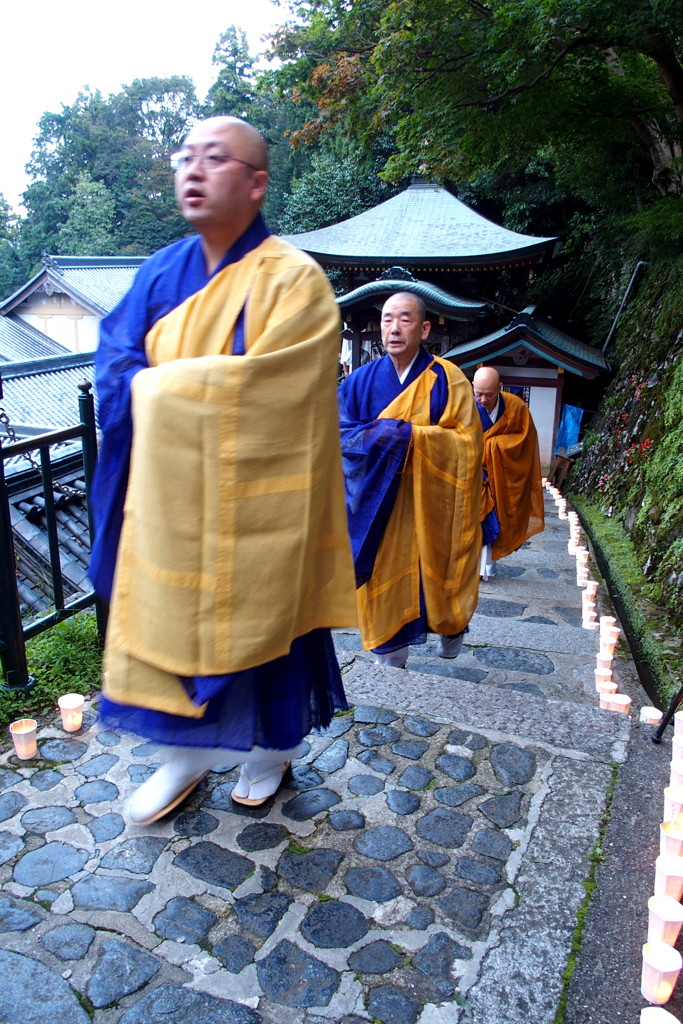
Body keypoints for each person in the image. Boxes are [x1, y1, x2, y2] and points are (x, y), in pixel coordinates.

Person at [89, 116, 357, 822]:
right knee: (165, 616)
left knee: (270, 621)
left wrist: (158, 384)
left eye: (215, 157)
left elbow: (273, 388)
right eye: (185, 157)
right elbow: (116, 360)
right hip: (169, 498)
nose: (193, 170)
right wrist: (146, 385)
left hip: (262, 501)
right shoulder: (158, 271)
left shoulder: (295, 281)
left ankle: (271, 751)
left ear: (257, 181)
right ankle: (185, 754)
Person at [338, 291, 482, 669]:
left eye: (404, 319)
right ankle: (391, 658)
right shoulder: (358, 383)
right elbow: (334, 433)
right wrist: (375, 438)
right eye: (387, 319)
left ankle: (451, 629)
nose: (394, 328)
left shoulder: (448, 379)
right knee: (384, 583)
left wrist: (411, 438)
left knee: (438, 580)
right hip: (377, 508)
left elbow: (467, 442)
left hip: (431, 506)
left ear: (424, 328)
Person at [472, 366, 545, 580]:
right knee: (476, 523)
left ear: (500, 388)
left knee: (495, 522)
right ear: (472, 387)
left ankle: (485, 569)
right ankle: (470, 569)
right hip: (474, 476)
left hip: (502, 477)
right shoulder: (465, 408)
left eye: (489, 394)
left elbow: (525, 442)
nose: (483, 399)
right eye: (478, 393)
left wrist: (493, 447)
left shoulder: (516, 407)